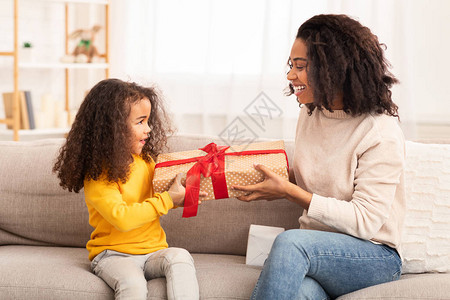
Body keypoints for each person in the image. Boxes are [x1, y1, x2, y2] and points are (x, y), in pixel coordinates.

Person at [233, 14, 405, 299]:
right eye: (291, 66)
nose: (290, 76)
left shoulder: (379, 131)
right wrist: (264, 177)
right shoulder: (311, 112)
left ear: (333, 69)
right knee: (300, 294)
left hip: (375, 257)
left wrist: (290, 193)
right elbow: (320, 175)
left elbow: (366, 221)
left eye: (300, 67)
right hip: (320, 253)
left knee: (290, 244)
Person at [53, 78, 200, 300]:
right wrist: (168, 200)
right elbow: (123, 218)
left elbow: (160, 199)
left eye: (148, 121)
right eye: (140, 122)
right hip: (113, 256)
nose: (149, 129)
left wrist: (182, 195)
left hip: (153, 251)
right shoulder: (98, 175)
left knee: (180, 257)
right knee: (132, 284)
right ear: (114, 129)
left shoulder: (147, 162)